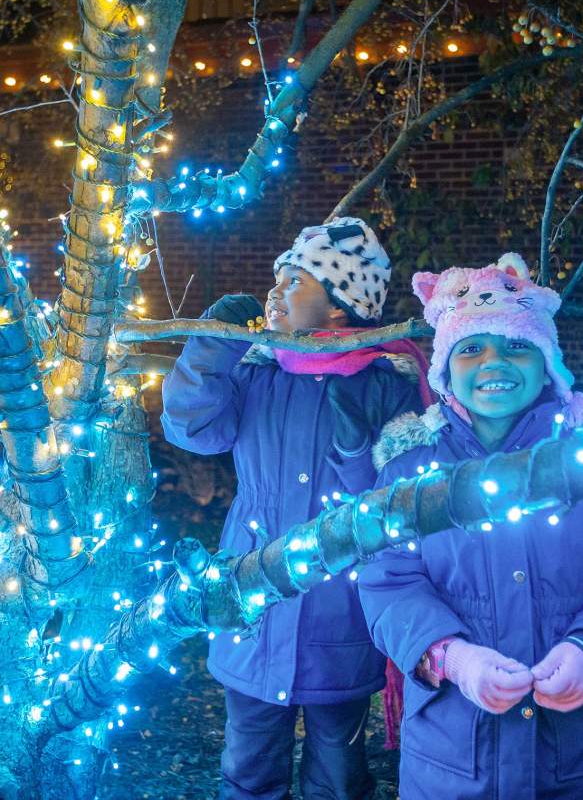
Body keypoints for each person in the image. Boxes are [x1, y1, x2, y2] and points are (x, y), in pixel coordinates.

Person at [161, 216, 428, 800]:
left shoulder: (386, 381)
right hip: (250, 605)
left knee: (337, 771)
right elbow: (193, 429)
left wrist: (359, 455)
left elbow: (400, 499)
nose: (275, 291)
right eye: (277, 278)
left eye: (296, 281)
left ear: (340, 306)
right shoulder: (256, 369)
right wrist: (211, 342)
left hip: (342, 614)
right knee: (249, 763)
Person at [359, 252, 583, 800]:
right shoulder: (410, 473)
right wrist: (451, 657)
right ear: (444, 369)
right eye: (471, 348)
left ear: (547, 362)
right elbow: (387, 581)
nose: (495, 361)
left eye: (517, 345)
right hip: (454, 759)